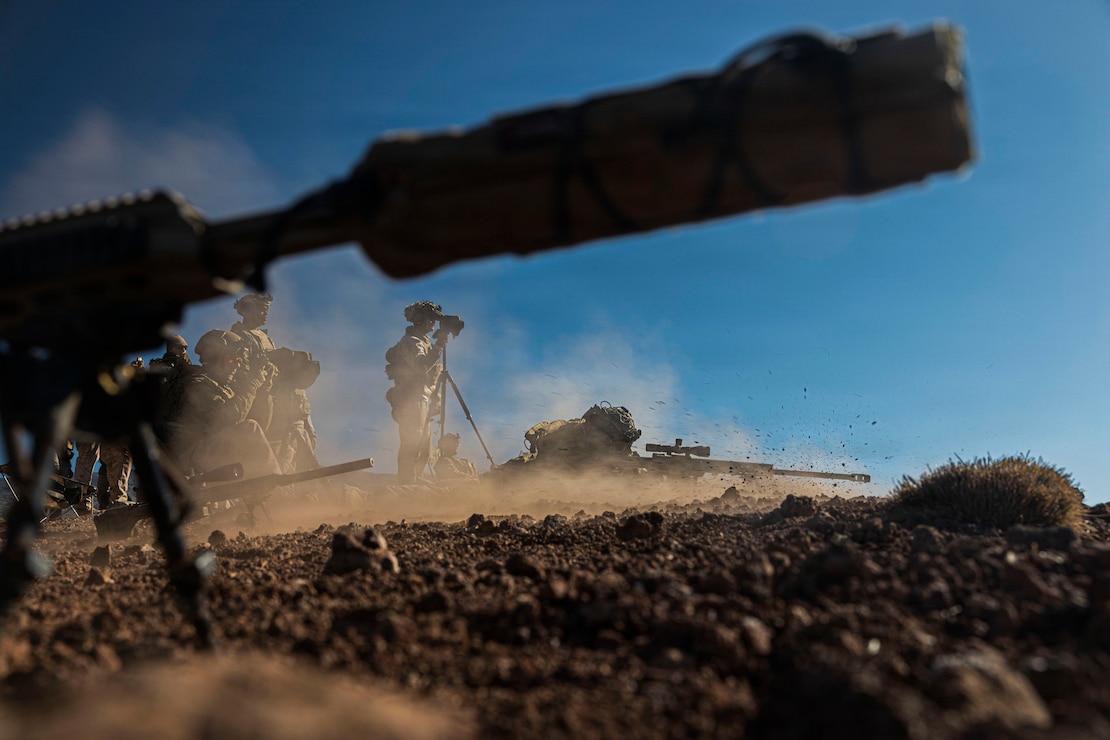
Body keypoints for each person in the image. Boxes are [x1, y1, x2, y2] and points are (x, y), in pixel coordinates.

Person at [157, 329, 280, 480]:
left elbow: (262, 426)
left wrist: (263, 392)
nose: (236, 366)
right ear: (214, 357)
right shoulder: (195, 382)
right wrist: (252, 385)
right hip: (188, 456)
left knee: (266, 438)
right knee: (250, 429)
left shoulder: (223, 388)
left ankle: (260, 497)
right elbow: (223, 420)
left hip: (205, 451)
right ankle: (277, 495)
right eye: (232, 360)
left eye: (239, 361)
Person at [385, 301, 448, 484]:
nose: (433, 322)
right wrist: (439, 346)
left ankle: (416, 481)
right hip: (411, 400)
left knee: (424, 448)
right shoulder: (412, 343)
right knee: (411, 443)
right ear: (420, 320)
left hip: (421, 399)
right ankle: (406, 483)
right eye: (431, 319)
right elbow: (421, 366)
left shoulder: (422, 342)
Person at [230, 293, 278, 435]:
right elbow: (238, 369)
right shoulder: (238, 335)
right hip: (253, 393)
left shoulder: (265, 337)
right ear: (248, 310)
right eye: (262, 309)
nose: (266, 314)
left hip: (271, 391)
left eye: (267, 310)